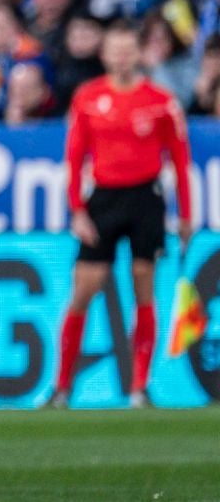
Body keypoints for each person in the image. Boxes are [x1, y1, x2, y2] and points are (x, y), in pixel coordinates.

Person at [47, 21, 193, 410]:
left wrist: (186, 215)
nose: (123, 57)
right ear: (104, 55)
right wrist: (77, 210)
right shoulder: (88, 97)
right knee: (84, 288)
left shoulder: (160, 101)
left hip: (146, 198)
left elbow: (181, 161)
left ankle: (139, 388)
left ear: (139, 54)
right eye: (116, 50)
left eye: (129, 50)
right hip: (104, 199)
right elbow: (74, 157)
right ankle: (62, 387)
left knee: (144, 286)